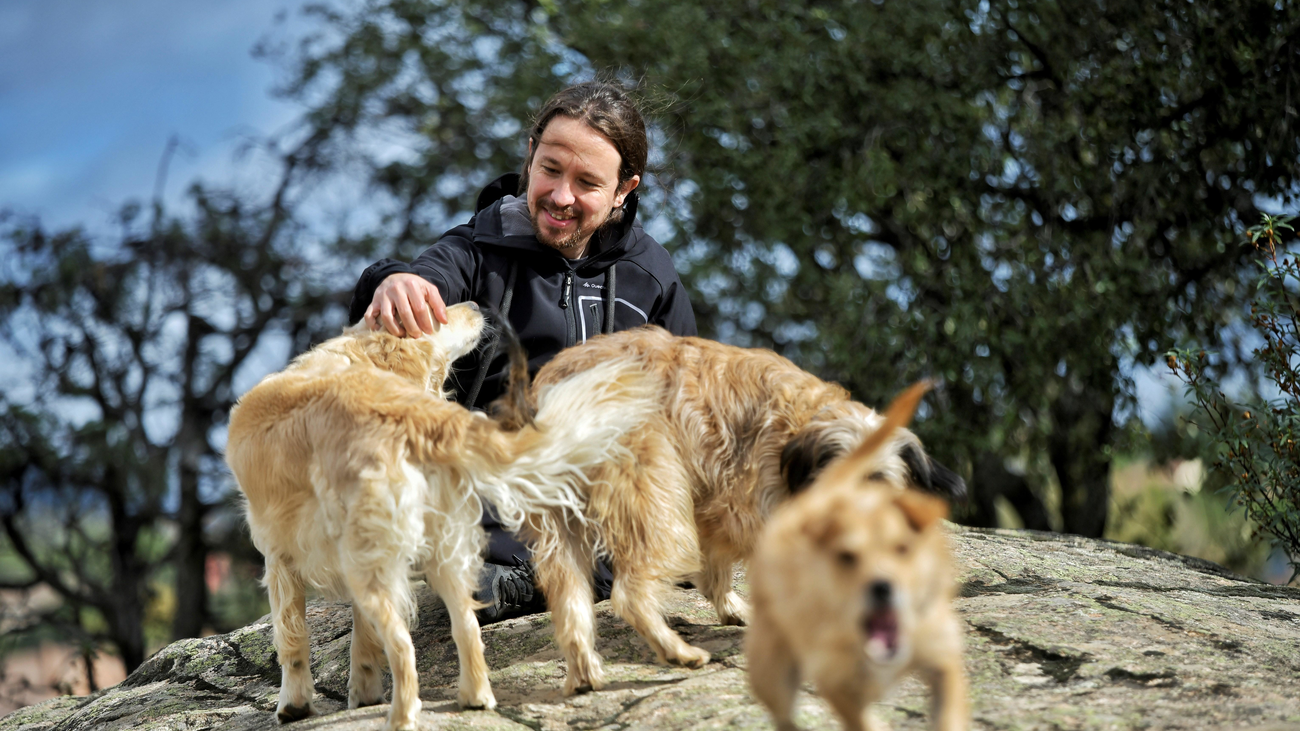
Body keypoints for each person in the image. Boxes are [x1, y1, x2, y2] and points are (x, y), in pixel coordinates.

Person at [348, 81, 697, 622]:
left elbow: (687, 408)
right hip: (492, 495)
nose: (561, 196)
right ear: (531, 154)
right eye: (551, 169)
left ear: (624, 190)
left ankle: (564, 576)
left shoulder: (651, 278)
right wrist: (392, 280)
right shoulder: (475, 249)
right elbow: (423, 278)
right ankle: (528, 577)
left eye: (586, 183)